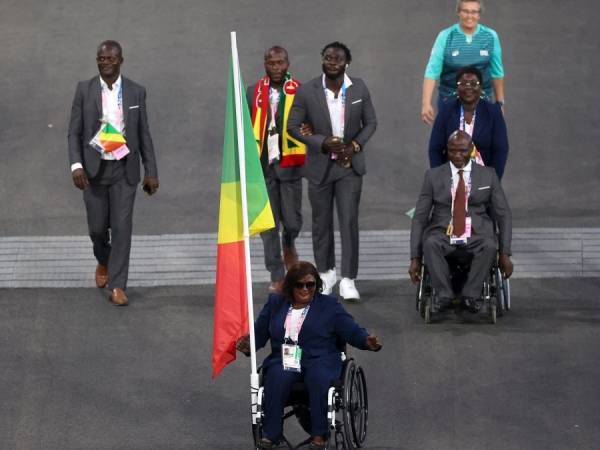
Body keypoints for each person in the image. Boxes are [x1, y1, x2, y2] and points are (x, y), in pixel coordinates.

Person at [236, 261, 381, 449]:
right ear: (290, 286)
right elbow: (259, 334)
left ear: (316, 285)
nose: (306, 289)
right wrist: (248, 345)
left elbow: (351, 330)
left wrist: (366, 342)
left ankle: (319, 436)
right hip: (285, 360)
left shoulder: (329, 305)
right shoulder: (275, 303)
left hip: (321, 359)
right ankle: (271, 435)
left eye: (310, 284)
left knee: (318, 378)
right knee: (277, 376)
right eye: (300, 285)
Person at [68, 40, 159, 306]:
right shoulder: (84, 90)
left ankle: (118, 285)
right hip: (94, 171)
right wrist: (76, 165)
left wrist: (150, 171)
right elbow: (73, 131)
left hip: (124, 169)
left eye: (110, 58)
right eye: (101, 58)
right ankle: (103, 260)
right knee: (97, 230)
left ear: (121, 60)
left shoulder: (136, 92)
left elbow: (144, 133)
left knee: (122, 228)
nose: (105, 62)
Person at [288, 42, 377, 301]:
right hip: (320, 168)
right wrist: (321, 142)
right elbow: (293, 126)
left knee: (348, 221)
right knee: (321, 223)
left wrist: (355, 146)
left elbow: (371, 122)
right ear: (322, 60)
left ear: (347, 62)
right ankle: (326, 274)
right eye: (328, 58)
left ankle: (348, 279)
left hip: (349, 167)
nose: (332, 62)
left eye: (338, 58)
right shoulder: (307, 91)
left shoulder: (359, 88)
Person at [408, 130, 513, 313]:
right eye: (452, 151)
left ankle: (471, 295)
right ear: (446, 151)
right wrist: (415, 258)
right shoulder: (432, 176)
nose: (457, 155)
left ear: (471, 150)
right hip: (442, 232)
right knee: (430, 243)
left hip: (476, 233)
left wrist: (505, 254)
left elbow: (503, 214)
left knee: (489, 246)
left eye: (462, 151)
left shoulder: (488, 175)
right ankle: (443, 295)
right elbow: (420, 218)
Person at [247, 46, 309, 293]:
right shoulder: (253, 92)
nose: (276, 68)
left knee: (292, 221)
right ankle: (276, 273)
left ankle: (289, 242)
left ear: (287, 63)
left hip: (290, 165)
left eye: (280, 63)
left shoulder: (300, 91)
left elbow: (310, 120)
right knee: (268, 224)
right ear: (265, 63)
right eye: (271, 63)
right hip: (263, 168)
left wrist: (309, 131)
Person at [421, 0, 505, 125]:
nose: (469, 16)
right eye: (465, 11)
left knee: (481, 142)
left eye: (474, 12)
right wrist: (426, 103)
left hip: (482, 100)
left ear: (479, 14)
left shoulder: (490, 36)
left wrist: (500, 103)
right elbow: (432, 72)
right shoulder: (446, 36)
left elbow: (497, 72)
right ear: (458, 12)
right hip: (450, 99)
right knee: (453, 143)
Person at [429, 66, 508, 179]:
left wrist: (492, 181)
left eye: (474, 83)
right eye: (463, 83)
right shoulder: (446, 112)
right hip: (451, 179)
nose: (468, 87)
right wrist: (439, 180)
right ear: (457, 87)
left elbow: (500, 150)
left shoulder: (494, 112)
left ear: (480, 87)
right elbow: (434, 149)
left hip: (483, 178)